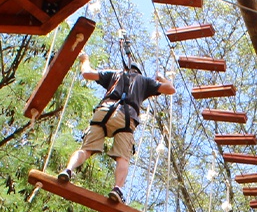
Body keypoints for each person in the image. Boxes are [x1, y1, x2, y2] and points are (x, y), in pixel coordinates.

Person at [57, 52, 175, 203]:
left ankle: (68, 169)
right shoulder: (144, 81)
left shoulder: (114, 74)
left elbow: (87, 73)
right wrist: (161, 78)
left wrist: (84, 59)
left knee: (86, 149)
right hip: (126, 118)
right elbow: (170, 89)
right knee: (122, 157)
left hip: (104, 111)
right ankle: (117, 188)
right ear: (138, 72)